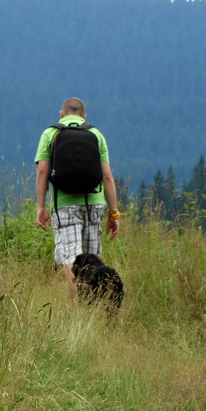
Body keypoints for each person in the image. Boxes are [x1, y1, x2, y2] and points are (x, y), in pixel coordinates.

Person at [35, 97, 120, 296]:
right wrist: (113, 213)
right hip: (95, 204)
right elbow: (107, 176)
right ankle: (95, 301)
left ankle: (80, 307)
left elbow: (42, 172)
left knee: (71, 258)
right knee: (91, 260)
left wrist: (41, 207)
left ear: (61, 114)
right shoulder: (96, 134)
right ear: (84, 116)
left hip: (64, 205)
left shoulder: (51, 133)